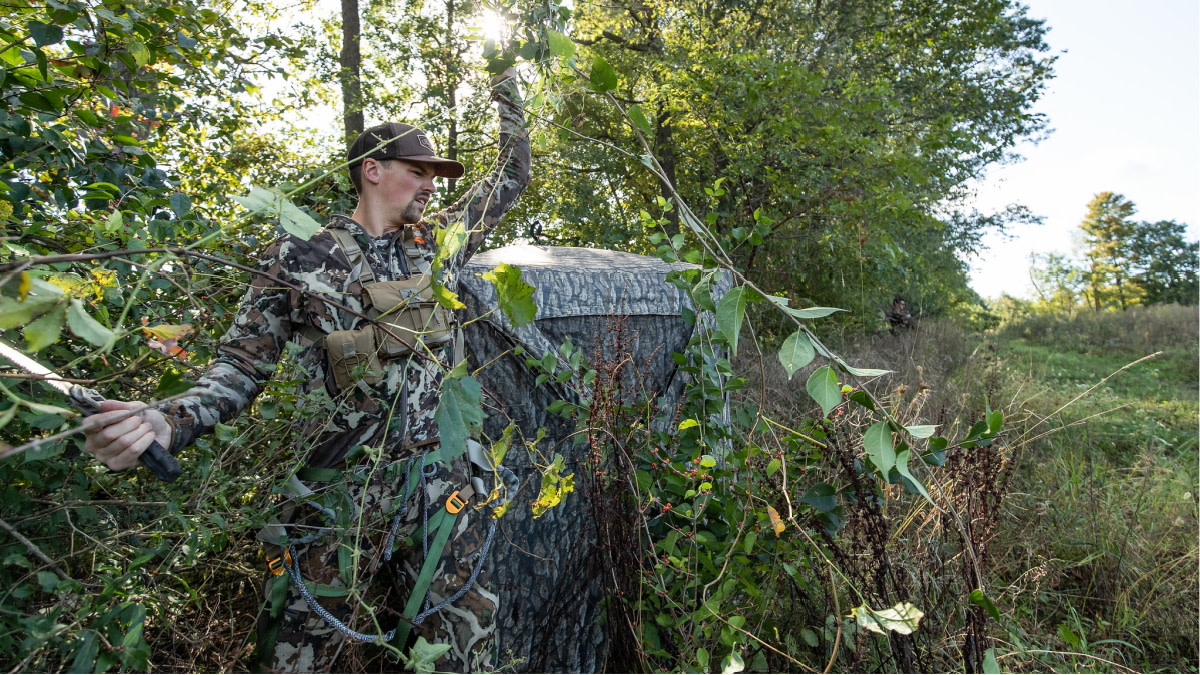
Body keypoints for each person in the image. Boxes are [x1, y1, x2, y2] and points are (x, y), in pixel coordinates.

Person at [81, 67, 531, 672]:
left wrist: (508, 94)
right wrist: (167, 420)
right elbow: (240, 368)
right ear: (373, 169)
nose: (430, 186)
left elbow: (510, 179)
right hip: (341, 495)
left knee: (467, 645)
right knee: (305, 652)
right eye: (417, 172)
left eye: (434, 177)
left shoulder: (439, 243)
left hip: (441, 488)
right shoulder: (300, 256)